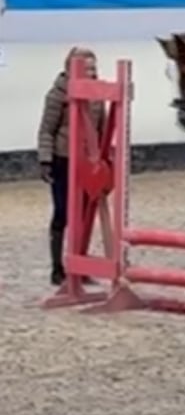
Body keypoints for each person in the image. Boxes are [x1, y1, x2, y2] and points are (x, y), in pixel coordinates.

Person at [37, 47, 104, 285]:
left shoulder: (98, 95)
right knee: (63, 213)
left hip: (88, 161)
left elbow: (102, 127)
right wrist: (45, 160)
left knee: (85, 215)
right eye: (87, 69)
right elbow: (47, 129)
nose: (92, 73)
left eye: (94, 68)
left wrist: (103, 157)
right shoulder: (57, 95)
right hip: (62, 159)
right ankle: (57, 269)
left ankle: (80, 266)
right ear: (71, 69)